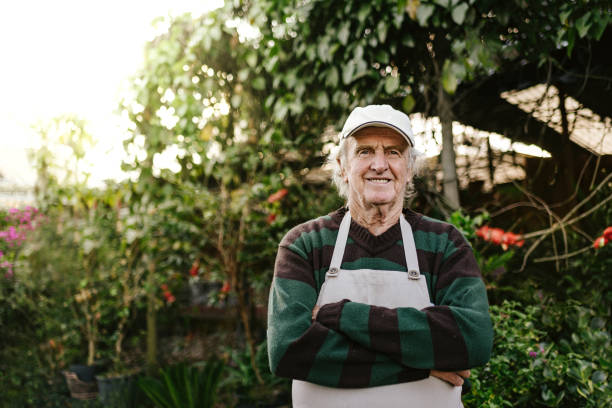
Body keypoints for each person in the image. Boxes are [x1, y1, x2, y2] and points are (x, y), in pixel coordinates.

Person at [267, 105, 493, 407]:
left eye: (394, 152)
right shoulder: (305, 244)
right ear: (342, 165)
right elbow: (289, 350)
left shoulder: (443, 244)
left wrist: (340, 315)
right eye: (364, 152)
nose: (379, 164)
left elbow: (473, 339)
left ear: (409, 168)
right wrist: (423, 364)